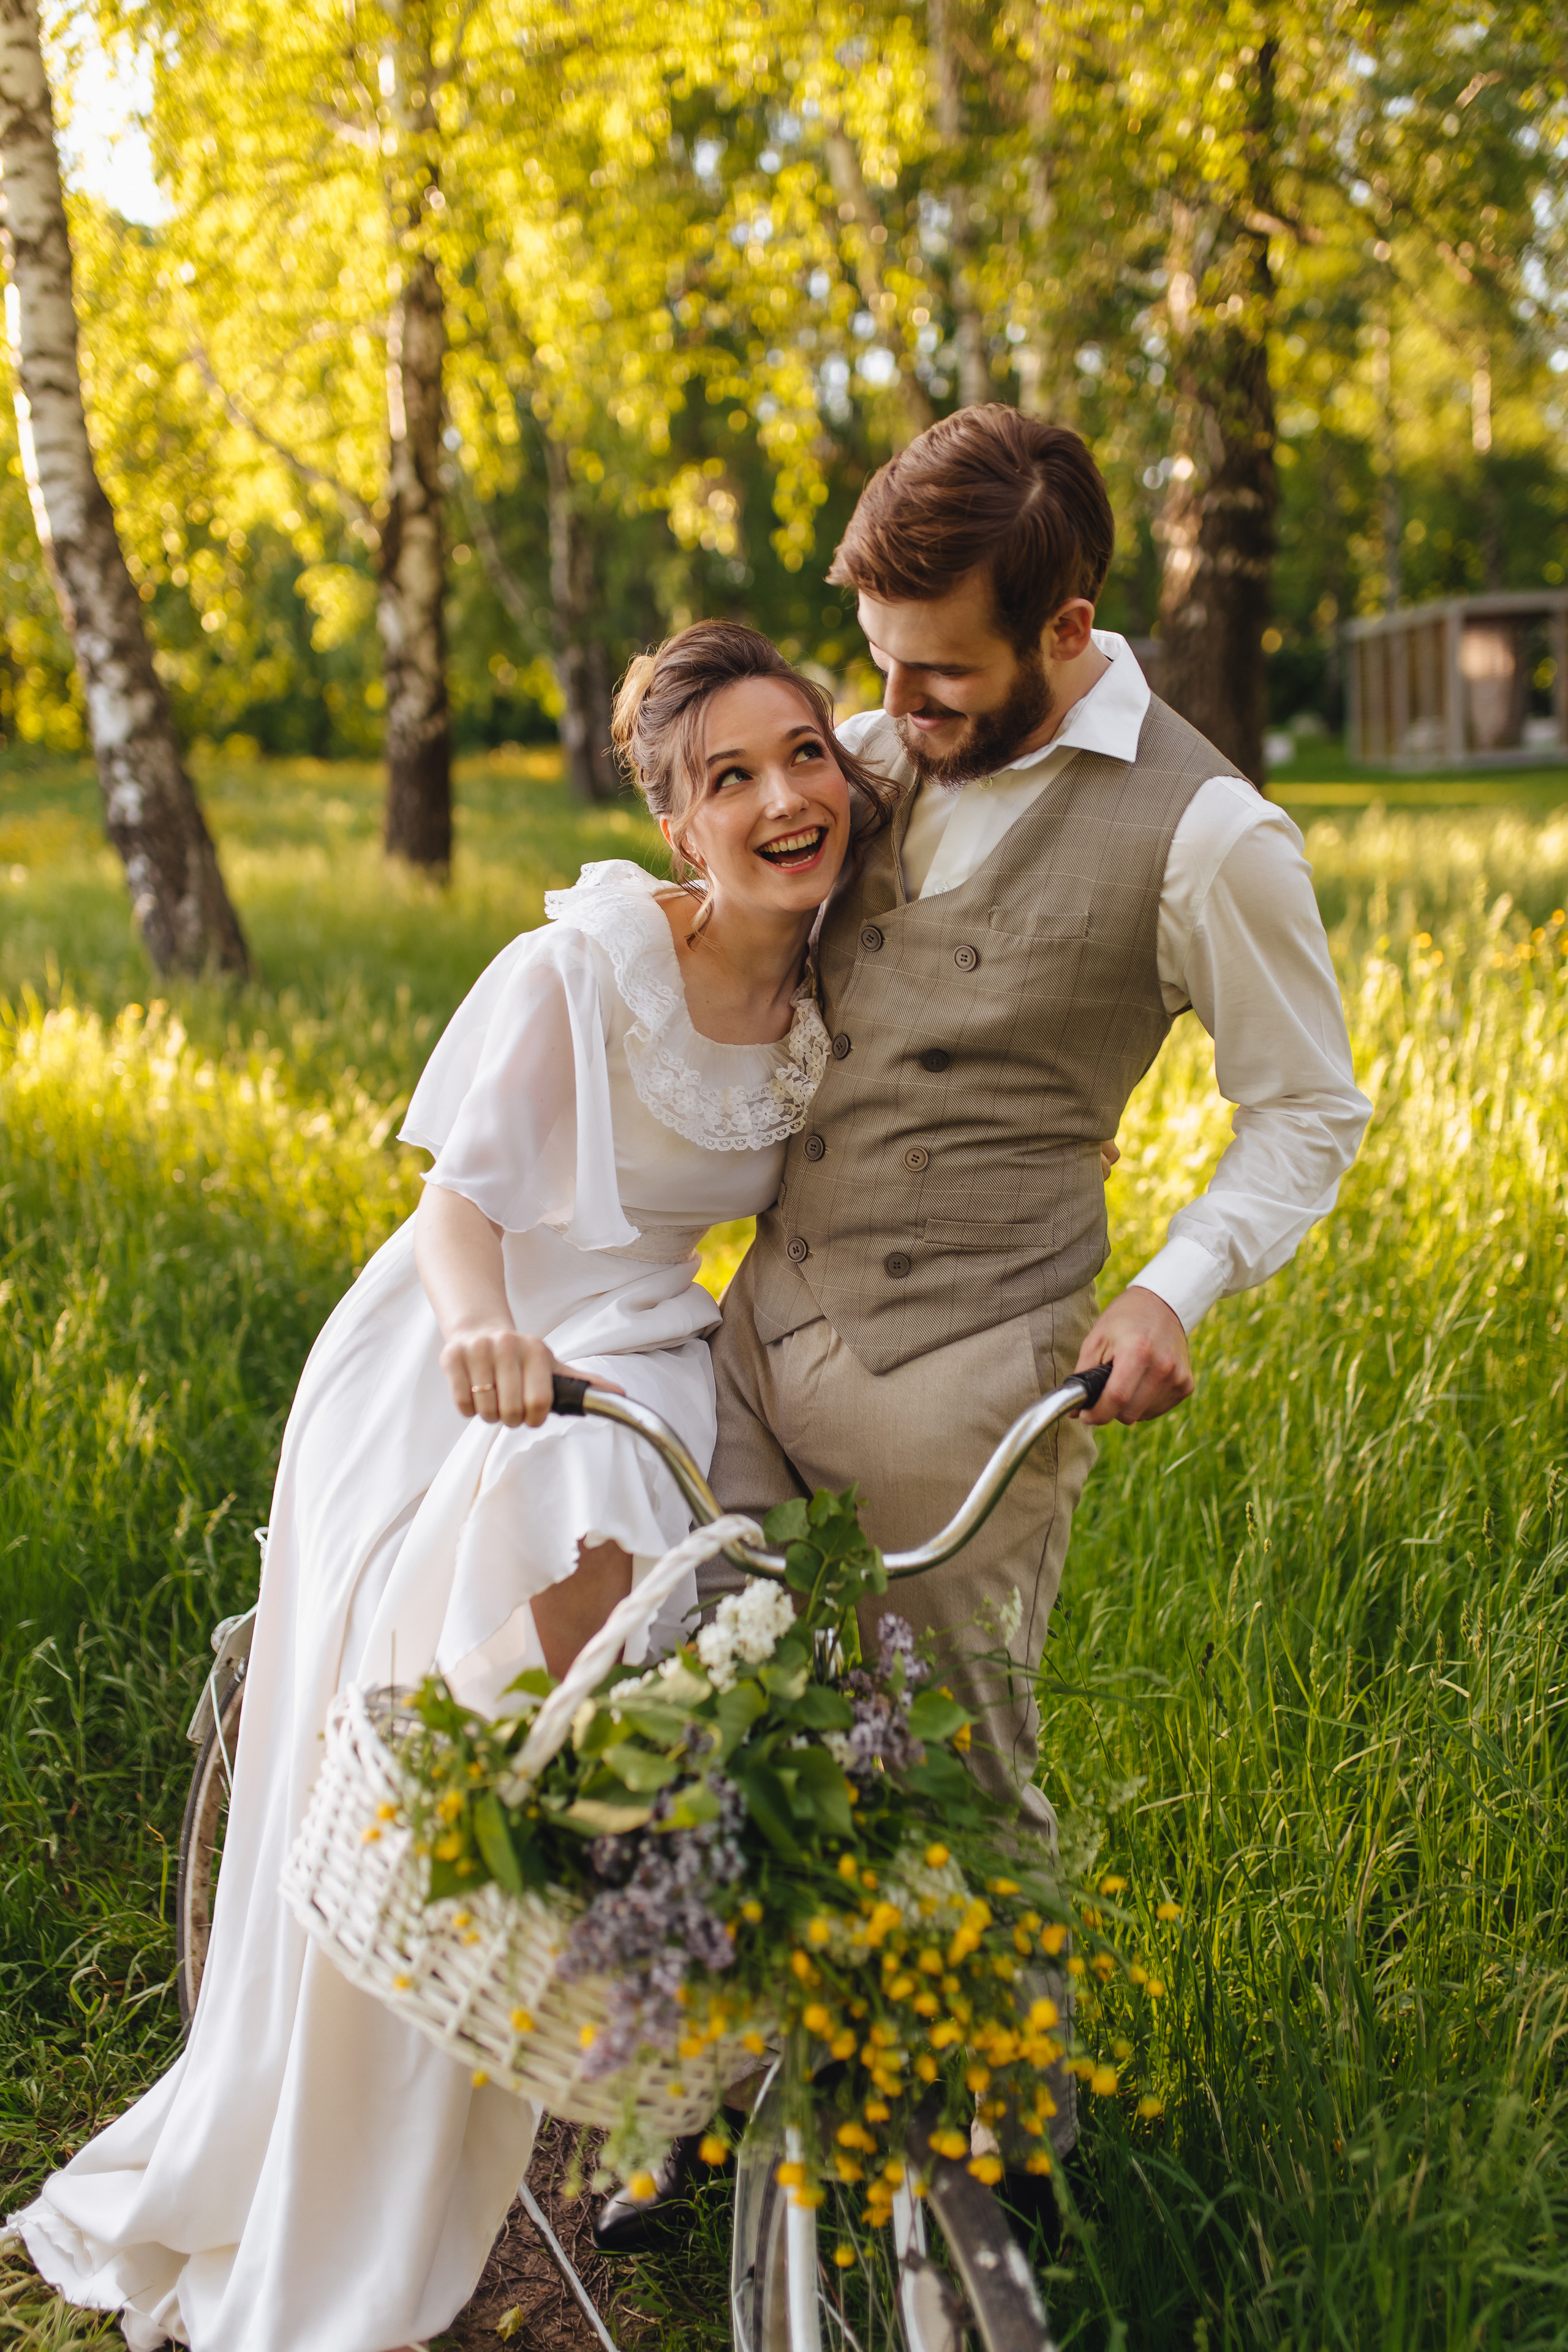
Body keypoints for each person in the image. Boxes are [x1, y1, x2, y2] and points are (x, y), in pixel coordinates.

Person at [7, 622, 894, 2352]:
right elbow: (456, 1213)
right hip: (484, 1345)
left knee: (759, 1618)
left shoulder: (834, 967)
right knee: (549, 1517)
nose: (787, 797)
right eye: (731, 779)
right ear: (674, 824)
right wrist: (486, 1335)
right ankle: (479, 1885)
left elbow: (943, 724)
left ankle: (641, 1941)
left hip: (661, 1341)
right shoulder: (579, 964)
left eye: (805, 755)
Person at [701, 405, 1371, 2184]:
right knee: (713, 1714)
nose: (889, 721)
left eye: (939, 682)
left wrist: (1178, 1286)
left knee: (957, 1776)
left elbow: (1307, 1108)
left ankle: (1010, 2181)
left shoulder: (1213, 836)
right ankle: (729, 2082)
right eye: (882, 672)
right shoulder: (857, 748)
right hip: (758, 1338)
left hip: (972, 1379)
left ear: (1068, 631)